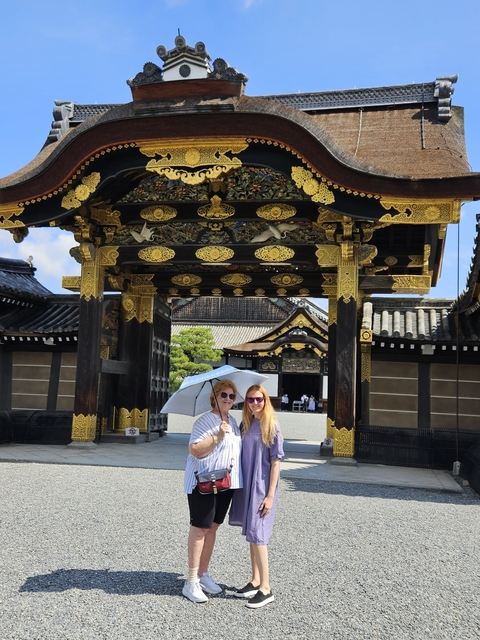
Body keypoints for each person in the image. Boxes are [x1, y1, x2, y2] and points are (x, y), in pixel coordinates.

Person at [182, 379, 243, 603]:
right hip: (204, 483)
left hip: (226, 483)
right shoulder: (205, 421)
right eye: (223, 395)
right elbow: (195, 450)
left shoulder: (233, 421)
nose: (227, 399)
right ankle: (190, 581)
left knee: (213, 527)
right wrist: (217, 436)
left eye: (231, 396)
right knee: (199, 529)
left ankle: (203, 573)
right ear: (214, 397)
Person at [229, 384, 284, 609]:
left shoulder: (272, 425)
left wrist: (270, 495)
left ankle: (266, 588)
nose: (254, 403)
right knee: (251, 533)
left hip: (261, 485)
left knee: (259, 535)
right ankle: (255, 580)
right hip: (246, 483)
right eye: (250, 400)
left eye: (258, 399)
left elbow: (276, 462)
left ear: (266, 400)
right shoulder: (247, 423)